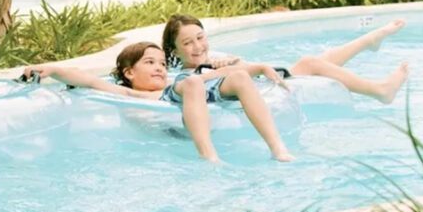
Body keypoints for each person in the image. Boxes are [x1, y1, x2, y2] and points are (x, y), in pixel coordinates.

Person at [23, 41, 293, 163]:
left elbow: (216, 75)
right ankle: (208, 155)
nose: (159, 68)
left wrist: (258, 67)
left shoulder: (176, 80)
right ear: (129, 73)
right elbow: (87, 79)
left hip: (195, 89)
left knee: (239, 79)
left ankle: (278, 148)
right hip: (186, 91)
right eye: (149, 63)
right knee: (193, 82)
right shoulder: (131, 93)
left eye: (162, 63)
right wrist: (51, 70)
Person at [161, 14, 410, 105]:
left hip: (269, 82)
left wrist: (230, 61)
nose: (197, 47)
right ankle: (379, 90)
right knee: (312, 64)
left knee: (314, 62)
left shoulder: (213, 58)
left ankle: (368, 41)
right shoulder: (186, 77)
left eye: (200, 37)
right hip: (273, 92)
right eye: (187, 43)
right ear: (175, 50)